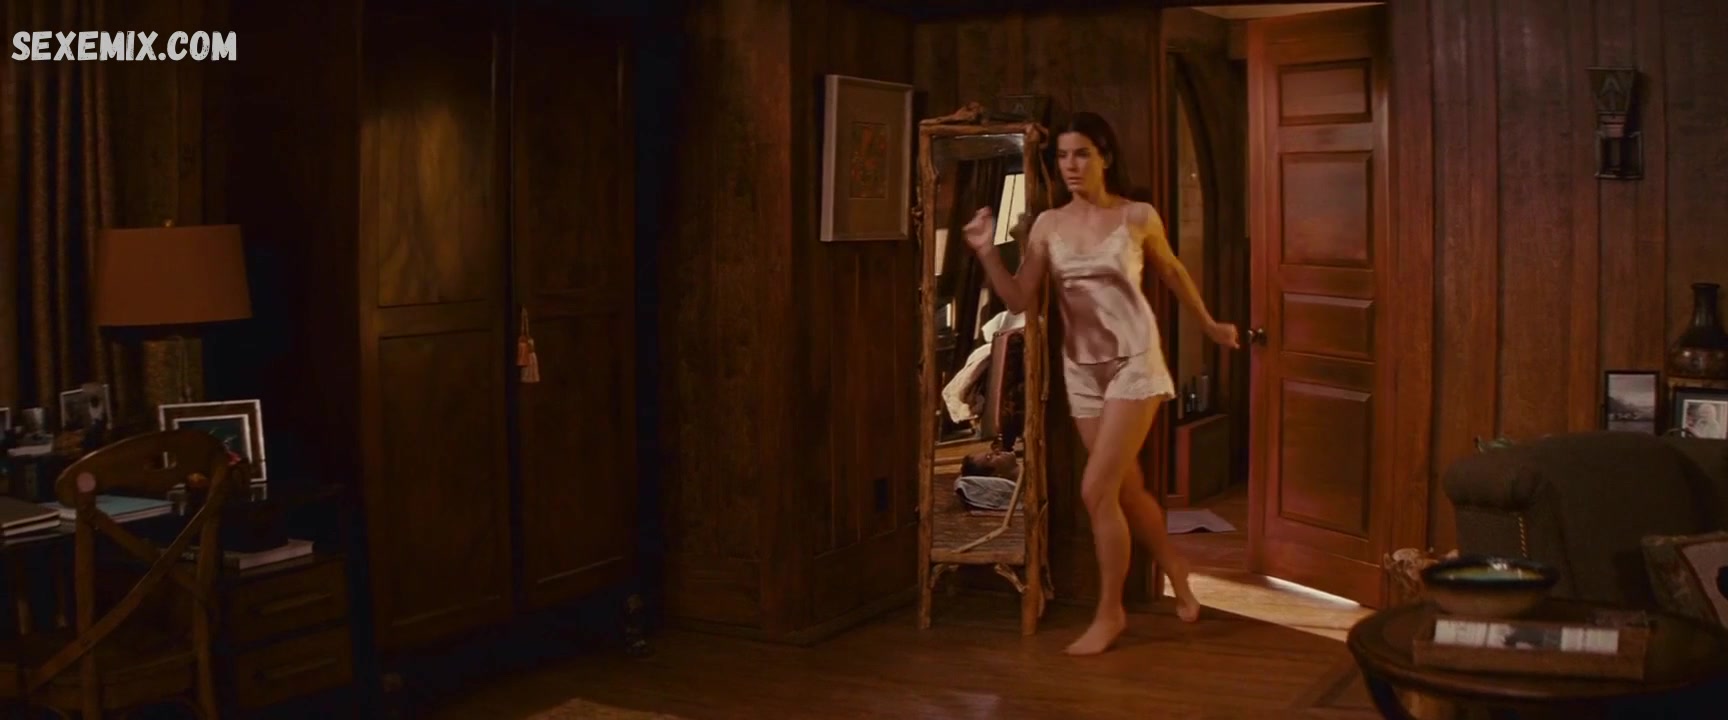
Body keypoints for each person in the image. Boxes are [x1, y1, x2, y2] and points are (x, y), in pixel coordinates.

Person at [961, 111, 1239, 655]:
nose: (1071, 165)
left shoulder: (1137, 216)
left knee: (1095, 489)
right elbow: (1020, 298)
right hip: (1081, 370)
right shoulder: (1047, 225)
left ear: (1104, 157)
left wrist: (1210, 326)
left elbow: (1174, 272)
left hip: (1135, 363)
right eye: (1063, 155)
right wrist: (986, 251)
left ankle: (1111, 613)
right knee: (1125, 489)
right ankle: (1175, 565)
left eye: (1082, 153)